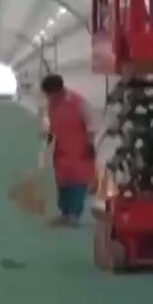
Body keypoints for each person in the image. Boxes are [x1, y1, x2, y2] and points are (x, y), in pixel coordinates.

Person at [39, 74, 98, 227]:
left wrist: (90, 144)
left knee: (77, 182)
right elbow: (52, 127)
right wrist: (47, 140)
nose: (48, 97)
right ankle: (64, 213)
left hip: (79, 150)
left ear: (58, 90)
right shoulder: (51, 105)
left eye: (50, 94)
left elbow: (91, 124)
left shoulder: (78, 103)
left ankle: (74, 214)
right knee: (63, 182)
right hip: (61, 151)